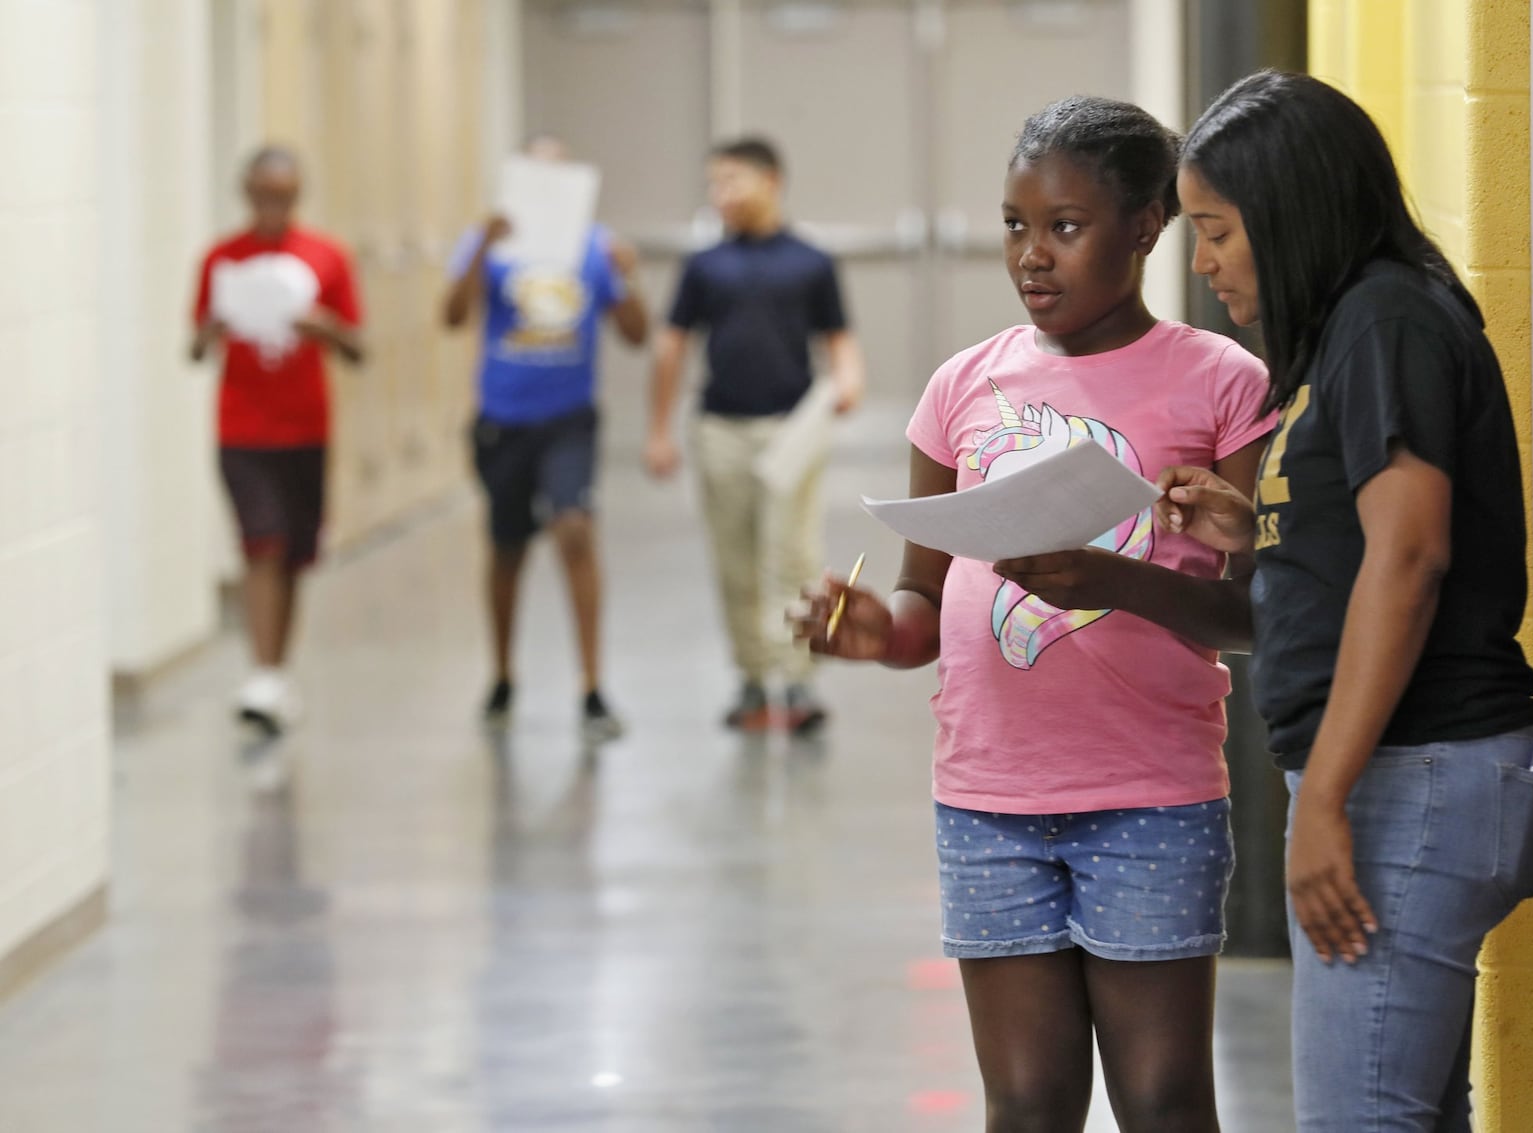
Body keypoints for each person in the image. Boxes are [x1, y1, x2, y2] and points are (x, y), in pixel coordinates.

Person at [795, 97, 1274, 1132]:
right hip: (989, 801)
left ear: (1146, 227)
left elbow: (1252, 612)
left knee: (1160, 1098)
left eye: (1065, 226)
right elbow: (924, 598)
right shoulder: (962, 386)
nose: (1032, 257)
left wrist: (1120, 583)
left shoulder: (1224, 382)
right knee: (1027, 1102)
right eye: (1017, 225)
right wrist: (881, 631)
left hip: (1151, 794)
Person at [1159, 70, 1533, 1131]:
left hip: (1409, 771)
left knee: (1359, 1117)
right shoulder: (1356, 325)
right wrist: (1257, 532)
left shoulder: (1384, 317)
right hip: (1404, 769)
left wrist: (1326, 798)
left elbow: (1413, 553)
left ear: (1287, 214)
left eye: (1215, 230)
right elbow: (1372, 535)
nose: (1201, 264)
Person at [646, 137, 866, 732]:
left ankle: (796, 682)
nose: (720, 194)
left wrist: (849, 380)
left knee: (793, 556)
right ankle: (751, 678)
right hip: (720, 429)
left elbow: (838, 339)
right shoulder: (705, 265)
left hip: (792, 428)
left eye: (732, 180)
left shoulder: (810, 262)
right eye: (713, 183)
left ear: (771, 181)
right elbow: (672, 346)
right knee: (736, 560)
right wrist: (659, 431)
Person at [443, 136, 648, 740]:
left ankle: (591, 687)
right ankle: (502, 675)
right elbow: (453, 315)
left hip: (569, 419)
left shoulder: (594, 246)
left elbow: (635, 332)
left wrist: (627, 278)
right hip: (503, 422)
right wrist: (481, 245)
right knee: (506, 548)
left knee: (574, 530)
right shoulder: (491, 243)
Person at [191, 146, 364, 734]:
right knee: (259, 543)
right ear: (246, 192)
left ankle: (277, 671)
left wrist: (323, 327)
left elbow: (358, 348)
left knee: (291, 552)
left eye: (284, 195)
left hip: (305, 427)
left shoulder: (325, 257)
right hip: (241, 427)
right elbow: (192, 348)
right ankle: (261, 674)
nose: (273, 205)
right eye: (263, 194)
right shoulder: (222, 258)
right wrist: (213, 326)